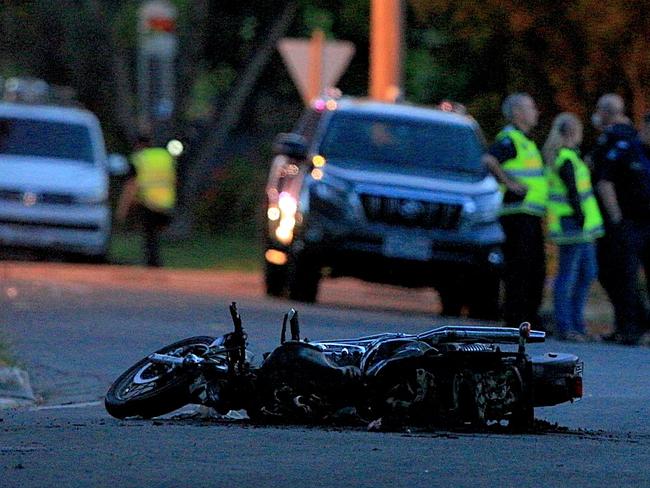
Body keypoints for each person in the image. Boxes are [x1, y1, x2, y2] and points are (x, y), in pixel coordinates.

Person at [482, 93, 549, 330]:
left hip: (530, 215)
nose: (536, 112)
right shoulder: (509, 140)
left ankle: (529, 318)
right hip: (517, 216)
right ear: (518, 113)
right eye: (531, 108)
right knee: (520, 271)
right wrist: (509, 184)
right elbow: (489, 160)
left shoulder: (525, 141)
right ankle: (517, 319)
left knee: (535, 270)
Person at [590, 94, 650, 344]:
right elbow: (605, 182)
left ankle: (641, 325)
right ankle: (628, 328)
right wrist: (617, 219)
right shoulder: (627, 148)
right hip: (629, 224)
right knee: (624, 276)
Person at [543, 113, 604, 341]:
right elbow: (574, 193)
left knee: (586, 272)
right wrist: (580, 218)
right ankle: (566, 326)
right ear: (573, 132)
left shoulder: (569, 157)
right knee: (569, 276)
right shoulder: (566, 159)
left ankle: (576, 324)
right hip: (574, 224)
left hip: (580, 225)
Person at [116, 134, 176, 267]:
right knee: (155, 236)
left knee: (149, 236)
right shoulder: (164, 156)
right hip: (166, 202)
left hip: (148, 202)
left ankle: (152, 264)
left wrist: (123, 209)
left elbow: (131, 185)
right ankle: (155, 262)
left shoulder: (139, 158)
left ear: (138, 145)